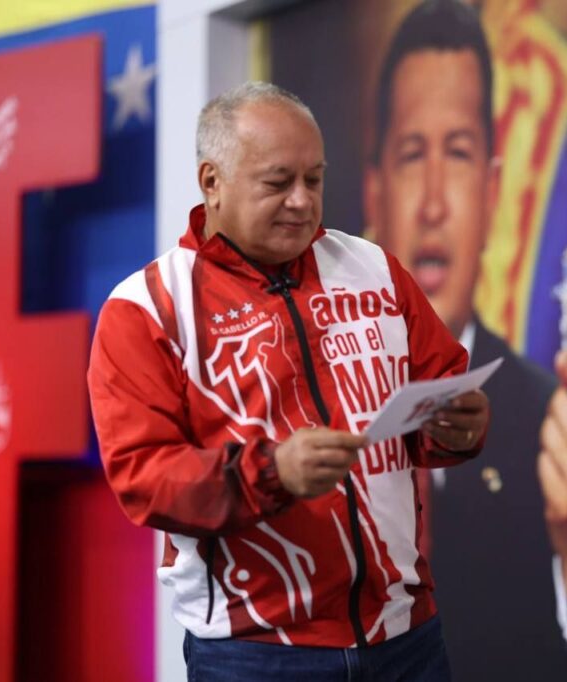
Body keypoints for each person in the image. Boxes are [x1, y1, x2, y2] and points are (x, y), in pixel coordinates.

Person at [87, 81, 490, 681]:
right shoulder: (147, 308)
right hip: (254, 653)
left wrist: (461, 428)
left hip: (408, 637)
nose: (302, 201)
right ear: (211, 181)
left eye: (314, 180)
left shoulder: (374, 269)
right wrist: (273, 472)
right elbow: (143, 477)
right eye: (278, 183)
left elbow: (441, 390)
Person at [363, 2, 567, 678]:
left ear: (491, 192)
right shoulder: (311, 411)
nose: (433, 203)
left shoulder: (551, 428)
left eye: (457, 154)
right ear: (374, 196)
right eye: (411, 155)